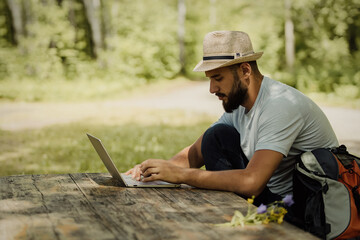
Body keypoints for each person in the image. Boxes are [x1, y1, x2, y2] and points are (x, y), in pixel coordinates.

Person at [125, 31, 338, 205]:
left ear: (245, 70)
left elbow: (253, 182)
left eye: (218, 78)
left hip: (300, 208)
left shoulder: (280, 105)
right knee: (215, 136)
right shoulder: (239, 103)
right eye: (210, 79)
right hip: (271, 196)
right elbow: (196, 151)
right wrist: (154, 172)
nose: (212, 89)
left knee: (217, 140)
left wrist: (181, 175)